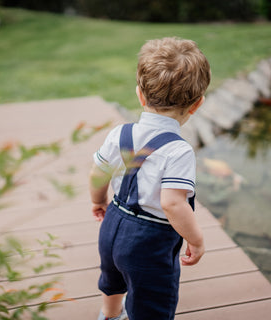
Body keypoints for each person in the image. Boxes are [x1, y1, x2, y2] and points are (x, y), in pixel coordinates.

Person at [89, 37, 211, 320]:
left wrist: (98, 201)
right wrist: (196, 239)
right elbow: (172, 204)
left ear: (140, 95)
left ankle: (109, 316)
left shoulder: (119, 134)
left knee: (112, 279)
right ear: (197, 105)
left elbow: (98, 172)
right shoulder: (179, 151)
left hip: (112, 225)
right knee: (152, 303)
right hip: (149, 241)